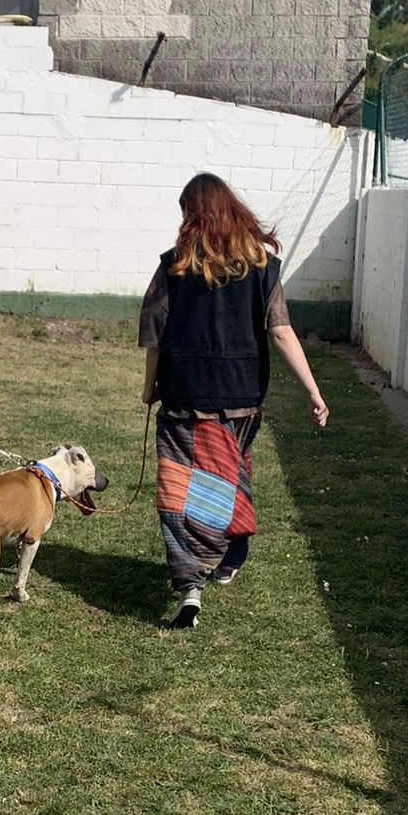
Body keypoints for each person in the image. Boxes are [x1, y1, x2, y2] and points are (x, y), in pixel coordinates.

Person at [139, 173, 328, 629]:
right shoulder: (262, 267)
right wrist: (313, 390)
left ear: (194, 215)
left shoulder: (173, 268)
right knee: (231, 477)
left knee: (178, 492)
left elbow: (154, 334)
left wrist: (149, 386)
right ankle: (230, 555)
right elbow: (280, 331)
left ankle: (190, 581)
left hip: (185, 399)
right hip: (242, 399)